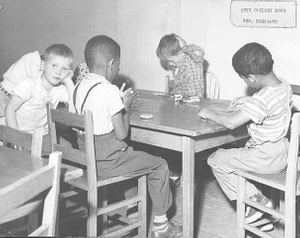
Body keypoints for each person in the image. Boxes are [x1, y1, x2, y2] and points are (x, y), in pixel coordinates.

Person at [72, 35, 182, 238]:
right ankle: (161, 226)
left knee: (135, 159)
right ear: (112, 64)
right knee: (159, 165)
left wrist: (117, 103)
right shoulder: (109, 90)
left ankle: (133, 210)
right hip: (108, 162)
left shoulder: (78, 87)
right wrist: (126, 106)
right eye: (118, 67)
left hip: (87, 160)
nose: (117, 71)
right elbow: (122, 134)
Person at [198, 42, 293, 228]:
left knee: (216, 159)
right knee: (234, 154)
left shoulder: (261, 100)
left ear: (251, 78)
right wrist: (248, 102)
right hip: (284, 153)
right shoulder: (284, 86)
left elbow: (231, 123)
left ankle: (256, 201)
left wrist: (210, 113)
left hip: (265, 156)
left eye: (243, 79)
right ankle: (262, 220)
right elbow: (269, 104)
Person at [4, 44, 75, 138]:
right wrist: (16, 137)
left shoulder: (59, 90)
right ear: (42, 65)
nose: (58, 72)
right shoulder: (29, 85)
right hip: (18, 132)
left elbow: (75, 104)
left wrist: (68, 81)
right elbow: (10, 109)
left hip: (40, 136)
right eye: (54, 65)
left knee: (66, 148)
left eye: (64, 69)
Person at [156, 33, 205, 97]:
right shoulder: (177, 66)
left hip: (194, 102)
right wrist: (168, 95)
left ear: (181, 52)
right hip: (181, 101)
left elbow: (199, 52)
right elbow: (178, 89)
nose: (170, 64)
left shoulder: (192, 61)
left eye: (171, 60)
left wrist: (184, 47)